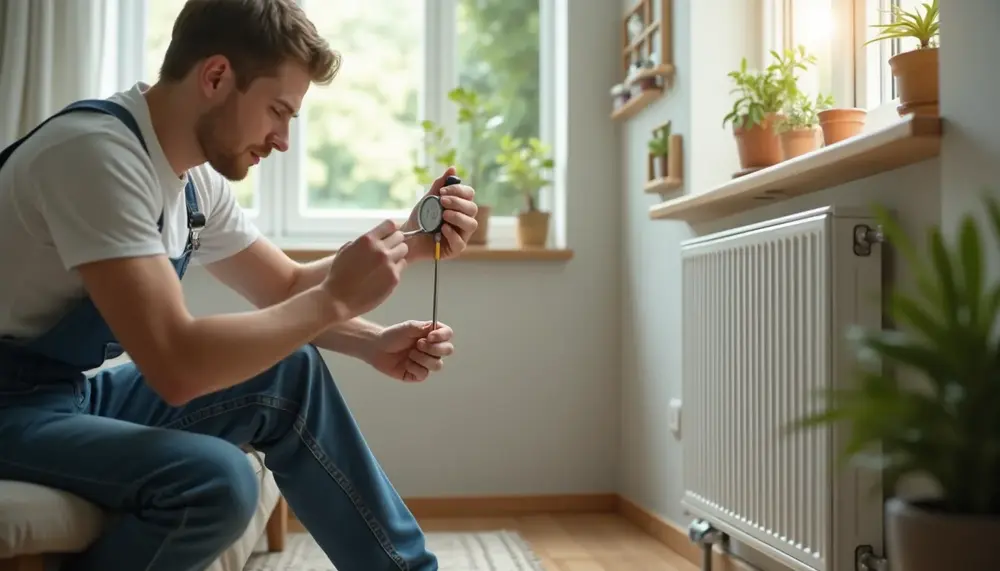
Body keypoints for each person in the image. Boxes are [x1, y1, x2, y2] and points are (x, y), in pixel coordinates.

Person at [0, 0, 480, 570]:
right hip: (9, 410)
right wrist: (334, 299)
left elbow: (284, 286)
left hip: (59, 398)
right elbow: (176, 366)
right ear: (216, 76)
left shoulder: (193, 180)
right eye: (277, 111)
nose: (282, 141)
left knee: (289, 368)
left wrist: (411, 244)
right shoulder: (96, 158)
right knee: (217, 480)